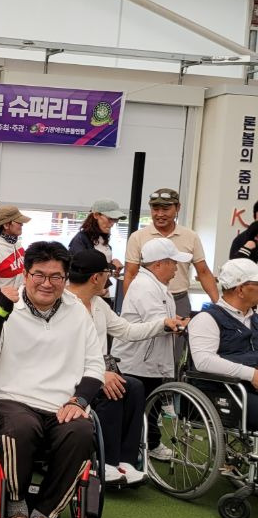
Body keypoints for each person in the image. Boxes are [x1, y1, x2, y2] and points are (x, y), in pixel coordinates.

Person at [0, 240, 104, 518]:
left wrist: (79, 401)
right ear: (26, 274)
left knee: (82, 430)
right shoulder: (3, 303)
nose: (47, 283)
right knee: (20, 426)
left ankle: (44, 515)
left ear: (66, 278)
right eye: (39, 275)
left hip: (61, 403)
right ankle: (17, 510)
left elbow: (95, 366)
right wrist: (0, 314)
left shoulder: (78, 311)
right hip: (11, 397)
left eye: (56, 276)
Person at [67, 248, 182, 485]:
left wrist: (163, 324)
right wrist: (100, 374)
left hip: (96, 371)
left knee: (134, 386)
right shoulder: (65, 304)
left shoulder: (98, 304)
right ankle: (106, 462)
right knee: (113, 389)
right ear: (96, 277)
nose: (110, 279)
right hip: (72, 376)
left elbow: (127, 330)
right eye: (107, 273)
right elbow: (63, 352)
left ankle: (125, 460)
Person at [110, 236, 192, 462]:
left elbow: (163, 319)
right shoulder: (146, 286)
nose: (176, 267)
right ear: (158, 264)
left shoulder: (156, 285)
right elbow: (160, 322)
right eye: (173, 262)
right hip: (137, 361)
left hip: (148, 359)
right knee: (139, 409)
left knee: (149, 407)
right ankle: (137, 449)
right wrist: (181, 324)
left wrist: (178, 322)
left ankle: (148, 444)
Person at [124, 187, 218, 323]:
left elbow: (203, 272)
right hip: (147, 299)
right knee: (147, 335)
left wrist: (219, 305)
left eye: (165, 209)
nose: (160, 214)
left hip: (179, 299)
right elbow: (130, 274)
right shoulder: (137, 237)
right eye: (155, 209)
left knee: (178, 334)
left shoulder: (190, 236)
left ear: (178, 208)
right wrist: (130, 304)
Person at [187, 257, 258, 424]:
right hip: (225, 391)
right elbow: (204, 361)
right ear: (240, 289)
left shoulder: (253, 318)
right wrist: (252, 374)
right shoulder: (206, 319)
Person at [69, 199, 126, 281]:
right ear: (96, 215)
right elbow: (79, 267)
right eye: (110, 218)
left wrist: (112, 267)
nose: (112, 223)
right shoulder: (81, 239)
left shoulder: (103, 239)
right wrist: (110, 265)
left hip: (101, 286)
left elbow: (99, 267)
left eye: (115, 219)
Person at [0, 206, 30, 297]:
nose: (22, 225)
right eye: (19, 222)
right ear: (6, 225)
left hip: (16, 300)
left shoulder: (16, 244)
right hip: (1, 302)